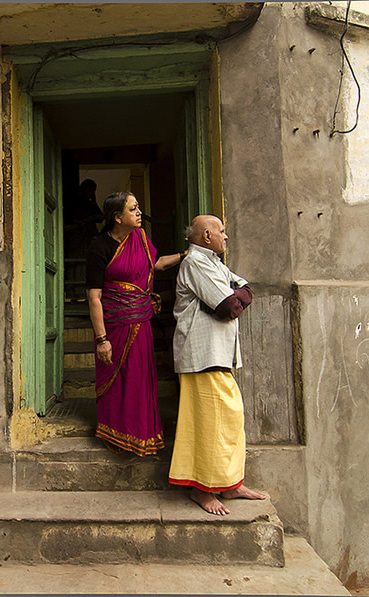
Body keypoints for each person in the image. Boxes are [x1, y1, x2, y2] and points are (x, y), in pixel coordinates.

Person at [169, 214, 266, 514]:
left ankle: (230, 483)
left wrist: (237, 292)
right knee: (209, 424)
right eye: (222, 232)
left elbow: (245, 287)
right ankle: (202, 489)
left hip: (217, 354)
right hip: (202, 354)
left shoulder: (213, 262)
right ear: (207, 235)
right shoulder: (196, 262)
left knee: (230, 419)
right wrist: (236, 295)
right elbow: (229, 306)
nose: (226, 236)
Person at [85, 191, 185, 456]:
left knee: (140, 380)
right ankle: (116, 434)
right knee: (118, 382)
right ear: (117, 217)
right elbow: (94, 297)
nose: (139, 213)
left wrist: (185, 255)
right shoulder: (99, 247)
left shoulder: (139, 237)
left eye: (138, 207)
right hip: (114, 327)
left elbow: (157, 263)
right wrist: (102, 340)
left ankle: (141, 434)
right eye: (133, 209)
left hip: (141, 325)